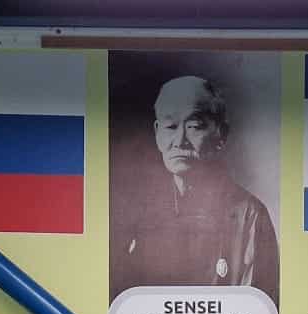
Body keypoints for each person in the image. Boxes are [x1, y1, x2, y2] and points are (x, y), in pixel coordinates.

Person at [112, 75, 280, 302]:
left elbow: (257, 309)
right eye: (170, 126)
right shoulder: (134, 211)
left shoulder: (250, 215)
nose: (179, 140)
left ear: (221, 134)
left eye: (194, 126)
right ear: (157, 133)